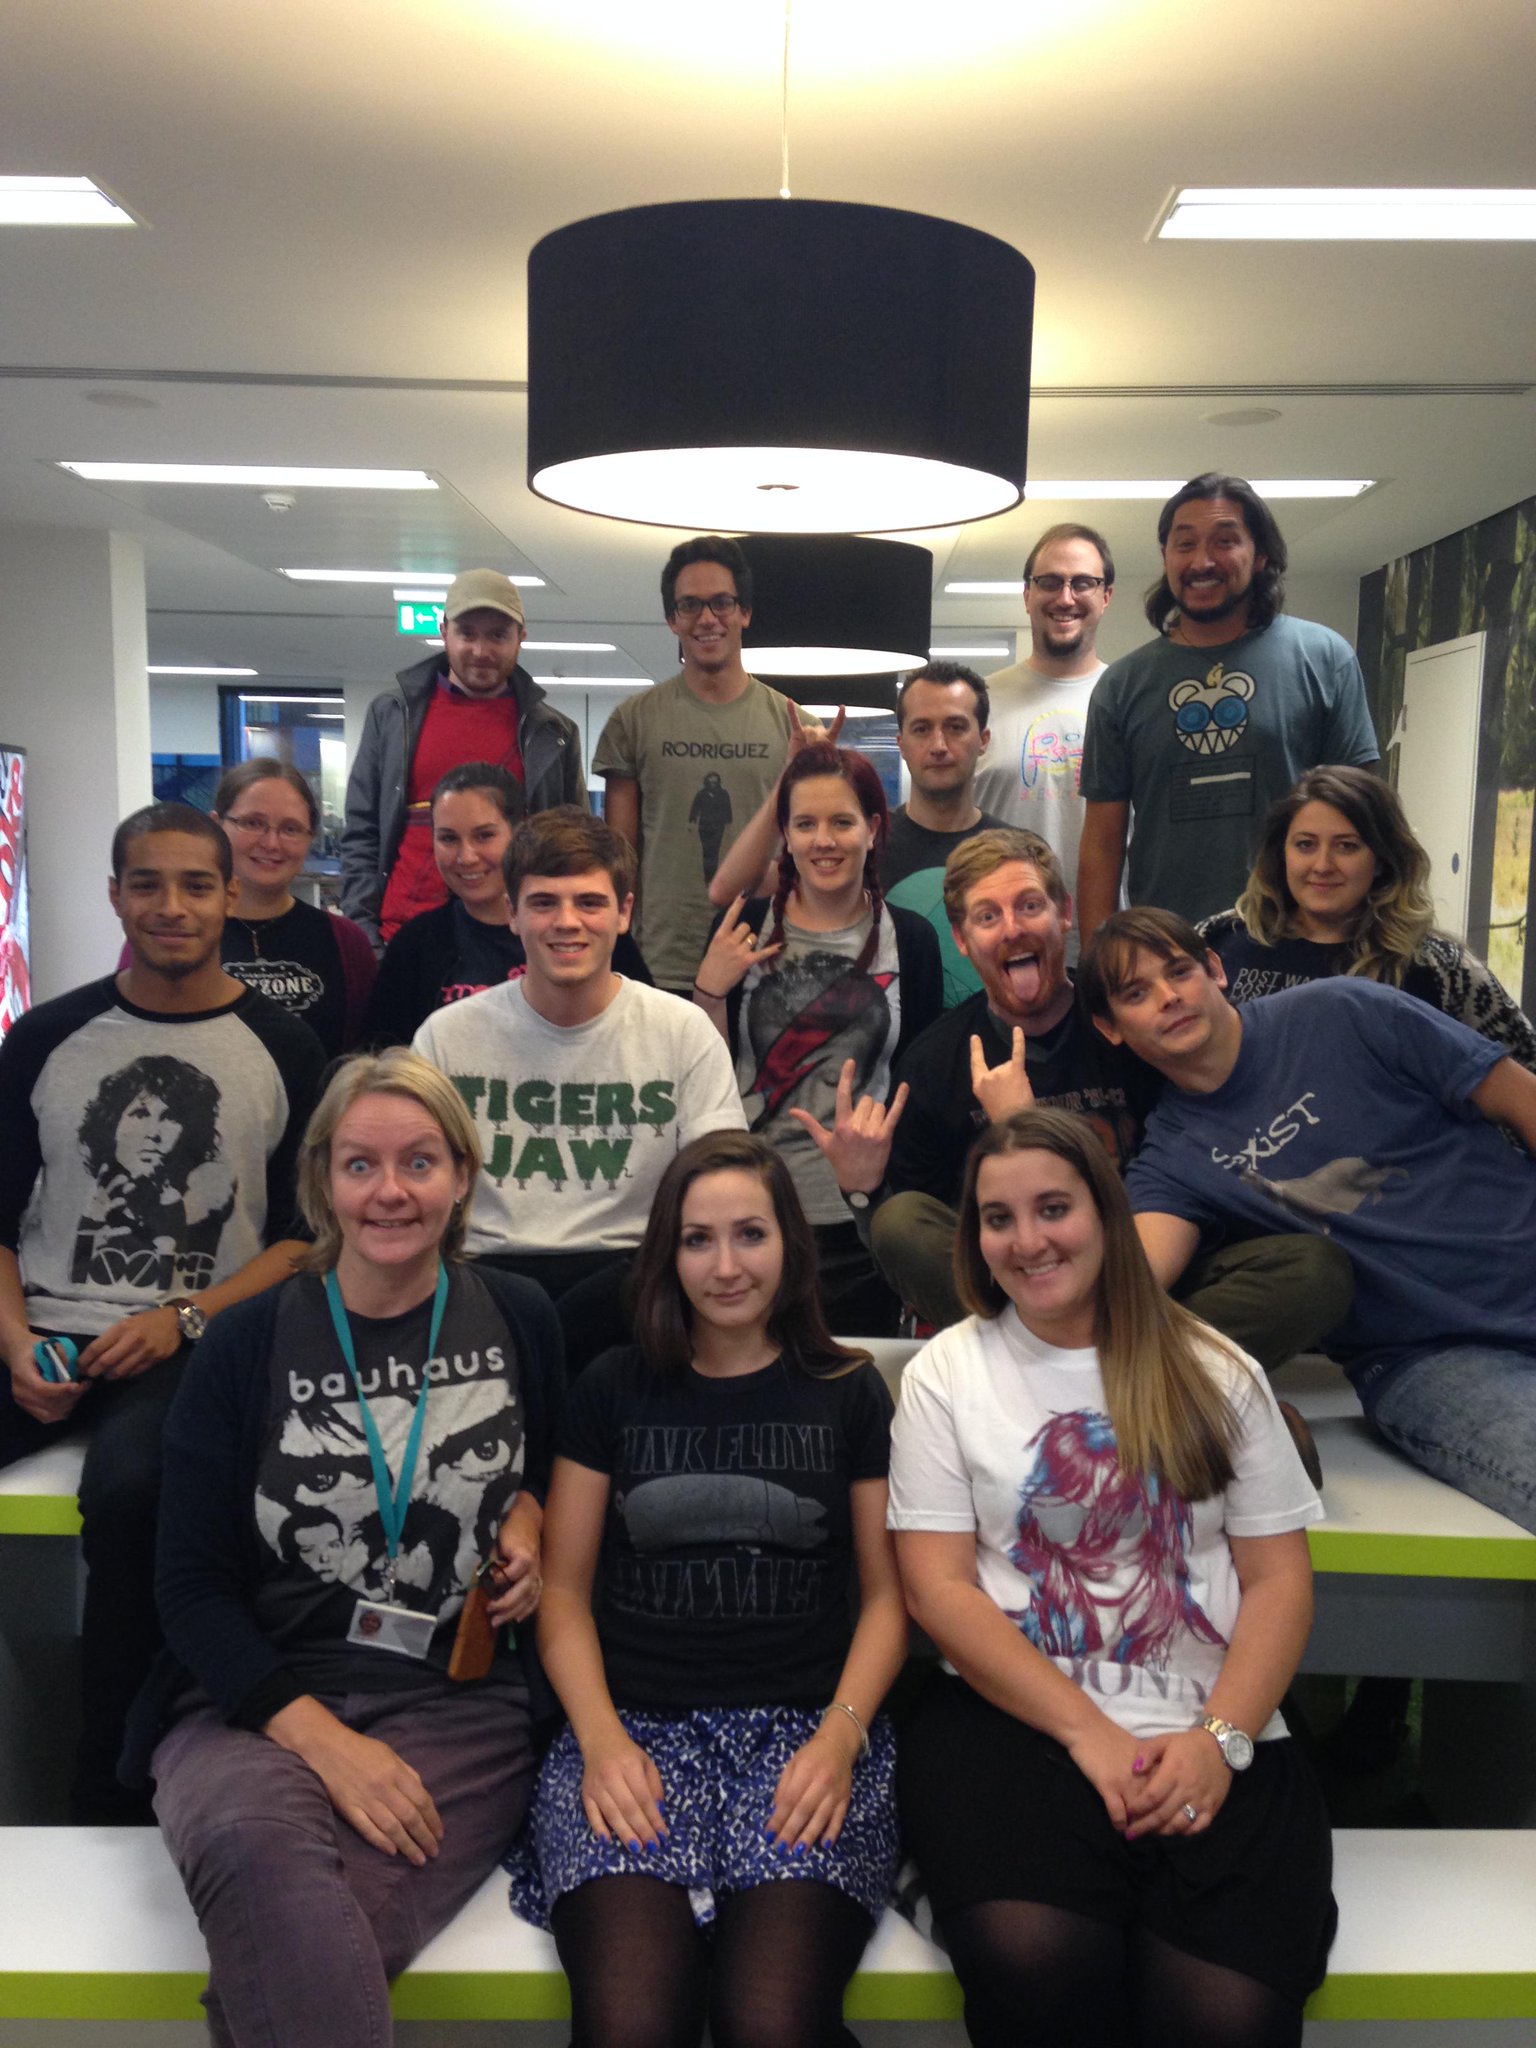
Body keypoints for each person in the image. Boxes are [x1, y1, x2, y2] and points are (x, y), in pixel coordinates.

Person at [128, 1048, 563, 2048]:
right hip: (257, 1698)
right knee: (250, 1846)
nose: (390, 1191)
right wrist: (326, 1742)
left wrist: (529, 1514)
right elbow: (187, 1588)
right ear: (322, 1179)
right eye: (360, 1164)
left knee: (294, 1943)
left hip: (457, 1706)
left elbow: (547, 1462)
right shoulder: (246, 1342)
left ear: (462, 1174)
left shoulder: (521, 1315)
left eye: (420, 1161)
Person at [889, 1107, 1335, 2048]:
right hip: (1017, 1722)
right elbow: (939, 1591)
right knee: (1035, 1961)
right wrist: (1089, 1733)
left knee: (1225, 2016)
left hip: (1210, 1723)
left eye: (1053, 1208)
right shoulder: (946, 1375)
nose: (1027, 1241)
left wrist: (1218, 1741)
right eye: (998, 1218)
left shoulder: (1217, 1369)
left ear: (1106, 1212)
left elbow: (1279, 1584)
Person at [511, 1129, 905, 2048]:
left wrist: (838, 1741)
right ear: (667, 1254)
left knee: (770, 2022)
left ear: (790, 1245)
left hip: (805, 1733)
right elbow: (563, 1594)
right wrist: (601, 1741)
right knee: (631, 2023)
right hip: (632, 1731)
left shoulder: (848, 1390)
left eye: (750, 1235)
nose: (726, 1267)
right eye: (698, 1240)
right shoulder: (613, 1385)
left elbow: (888, 1600)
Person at [0, 801, 326, 1820]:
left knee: (134, 1494)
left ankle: (108, 1782)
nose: (171, 905)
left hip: (196, 1337)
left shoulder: (286, 1044)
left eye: (195, 884)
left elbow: (304, 1238)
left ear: (231, 896)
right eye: (147, 883)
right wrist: (14, 1343)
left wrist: (183, 1317)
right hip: (46, 1325)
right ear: (115, 895)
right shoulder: (45, 1036)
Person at [792, 831, 1349, 1406]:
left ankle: (1078, 1381)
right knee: (899, 1220)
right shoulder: (935, 1063)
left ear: (1064, 914)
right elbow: (908, 1249)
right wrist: (862, 1191)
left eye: (1030, 905)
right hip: (1027, 1289)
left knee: (1317, 1269)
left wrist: (1023, 1124)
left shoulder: (1132, 1019)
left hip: (1155, 1275)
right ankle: (1125, 1382)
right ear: (961, 938)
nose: (1012, 929)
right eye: (988, 916)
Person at [1079, 906, 1536, 1532]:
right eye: (1136, 993)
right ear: (1110, 1027)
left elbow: (1523, 1102)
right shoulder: (1172, 1160)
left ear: (1215, 969)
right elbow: (1121, 1290)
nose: (1168, 997)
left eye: (1179, 971)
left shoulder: (1347, 1009)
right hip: (1433, 1360)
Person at [413, 807, 744, 1373]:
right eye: (544, 903)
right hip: (486, 1282)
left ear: (625, 912)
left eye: (589, 902)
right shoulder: (446, 1038)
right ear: (512, 913)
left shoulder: (682, 1031)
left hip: (636, 1284)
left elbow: (723, 1188)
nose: (567, 922)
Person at [693, 741, 942, 1334]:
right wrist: (708, 992)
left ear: (873, 829)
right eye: (805, 824)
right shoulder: (742, 928)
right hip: (753, 1213)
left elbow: (917, 1081)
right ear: (785, 835)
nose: (823, 841)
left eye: (841, 822)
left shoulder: (909, 938)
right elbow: (702, 1078)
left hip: (859, 1218)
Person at [1077, 475, 1379, 940]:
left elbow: (1363, 820)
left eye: (1225, 541)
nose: (1202, 561)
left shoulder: (1323, 658)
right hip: (1169, 948)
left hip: (1300, 938)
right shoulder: (1122, 685)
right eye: (1185, 544)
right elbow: (1102, 844)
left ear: (1260, 556)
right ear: (1166, 557)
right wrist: (1101, 957)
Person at [1198, 764, 1536, 1068]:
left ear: (1382, 860)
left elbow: (1524, 1070)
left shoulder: (1440, 967)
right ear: (1281, 853)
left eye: (1347, 846)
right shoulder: (1219, 938)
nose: (1322, 865)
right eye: (1305, 845)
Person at [593, 537, 805, 993]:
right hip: (659, 963)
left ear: (745, 612)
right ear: (672, 619)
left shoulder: (795, 725)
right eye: (690, 605)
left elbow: (805, 852)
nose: (707, 618)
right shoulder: (633, 720)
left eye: (721, 603)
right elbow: (618, 859)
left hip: (768, 956)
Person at [340, 569, 586, 949]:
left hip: (515, 940)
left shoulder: (553, 733)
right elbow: (362, 833)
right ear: (444, 632)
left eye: (497, 635)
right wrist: (363, 934)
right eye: (467, 633)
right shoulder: (391, 715)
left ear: (521, 637)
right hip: (400, 937)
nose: (481, 651)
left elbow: (571, 847)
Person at [363, 764, 651, 1046]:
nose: (466, 857)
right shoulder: (414, 946)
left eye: (484, 835)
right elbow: (384, 1058)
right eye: (448, 838)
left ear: (518, 832)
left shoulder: (595, 933)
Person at [973, 523, 1114, 960]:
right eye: (1049, 582)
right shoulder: (978, 702)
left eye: (1083, 583)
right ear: (1027, 594)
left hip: (1111, 948)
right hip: (999, 946)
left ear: (1106, 596)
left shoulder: (1131, 698)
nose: (1065, 598)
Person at [208, 758, 377, 1058]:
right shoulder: (176, 935)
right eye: (252, 823)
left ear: (310, 837)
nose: (272, 843)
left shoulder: (347, 944)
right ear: (216, 825)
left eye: (290, 828)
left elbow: (366, 1059)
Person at [881, 661, 1005, 1005]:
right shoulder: (865, 850)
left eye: (955, 727)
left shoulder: (1018, 854)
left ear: (983, 740)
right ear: (901, 744)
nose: (938, 745)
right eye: (921, 729)